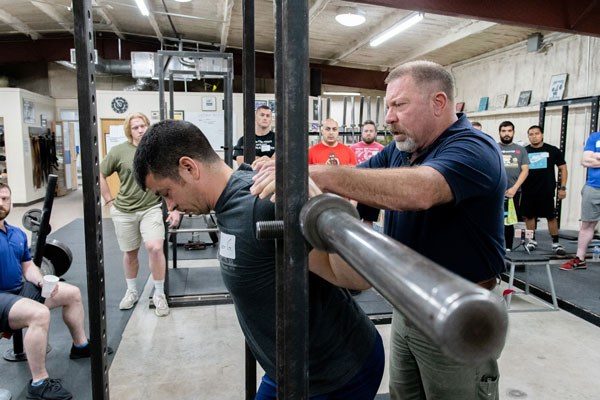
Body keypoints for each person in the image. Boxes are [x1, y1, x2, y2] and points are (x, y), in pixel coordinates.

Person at [251, 60, 506, 399]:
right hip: (407, 304)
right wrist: (284, 172)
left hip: (459, 314)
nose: (388, 117)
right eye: (388, 106)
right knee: (404, 394)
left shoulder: (474, 148)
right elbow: (357, 183)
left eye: (399, 105)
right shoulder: (401, 150)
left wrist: (313, 174)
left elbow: (420, 192)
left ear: (438, 103)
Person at [133, 120, 384, 399]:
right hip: (286, 370)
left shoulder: (263, 203)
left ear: (189, 168)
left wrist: (324, 208)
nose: (170, 205)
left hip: (336, 374)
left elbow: (357, 279)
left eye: (166, 193)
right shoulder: (232, 194)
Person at [0, 183, 90, 399]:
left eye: (5, 199)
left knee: (72, 294)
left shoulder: (16, 234)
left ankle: (81, 346)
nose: (1, 203)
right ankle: (39, 382)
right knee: (39, 314)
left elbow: (28, 267)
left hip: (17, 291)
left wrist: (41, 281)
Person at [99, 112, 180, 317]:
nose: (140, 130)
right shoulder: (119, 151)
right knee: (130, 253)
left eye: (143, 125)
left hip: (151, 208)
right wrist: (109, 199)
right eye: (135, 127)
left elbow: (172, 180)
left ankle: (159, 294)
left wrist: (174, 208)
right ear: (130, 131)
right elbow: (100, 172)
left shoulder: (157, 151)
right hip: (124, 211)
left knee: (154, 247)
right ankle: (132, 291)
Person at [520, 125, 568, 255]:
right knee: (529, 216)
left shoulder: (552, 150)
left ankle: (556, 243)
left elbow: (563, 168)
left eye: (536, 133)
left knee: (551, 216)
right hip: (528, 190)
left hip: (546, 190)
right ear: (528, 136)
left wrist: (562, 187)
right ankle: (532, 241)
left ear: (542, 135)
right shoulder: (523, 151)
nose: (534, 136)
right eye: (531, 134)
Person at [561, 131, 600, 270]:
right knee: (587, 225)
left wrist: (596, 156)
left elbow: (590, 159)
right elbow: (584, 161)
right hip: (593, 187)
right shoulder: (595, 137)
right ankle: (580, 259)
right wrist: (590, 158)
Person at [497, 121, 529, 251]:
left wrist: (514, 188)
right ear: (499, 132)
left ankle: (508, 249)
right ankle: (494, 249)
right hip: (496, 191)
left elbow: (525, 170)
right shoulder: (494, 147)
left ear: (513, 132)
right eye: (503, 131)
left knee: (508, 222)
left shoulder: (521, 150)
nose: (506, 134)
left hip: (513, 192)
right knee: (493, 220)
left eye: (509, 131)